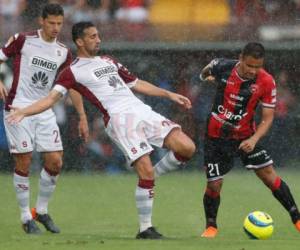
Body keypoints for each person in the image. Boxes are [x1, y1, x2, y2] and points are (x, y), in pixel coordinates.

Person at [6, 21, 196, 239]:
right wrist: (24, 112)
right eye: (93, 36)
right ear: (79, 41)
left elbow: (136, 83)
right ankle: (146, 228)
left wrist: (168, 94)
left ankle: (155, 176)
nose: (98, 40)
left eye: (98, 36)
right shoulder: (72, 71)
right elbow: (51, 98)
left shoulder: (109, 60)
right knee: (145, 171)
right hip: (119, 120)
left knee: (187, 148)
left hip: (141, 110)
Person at [0, 4, 89, 234]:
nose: (56, 28)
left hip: (43, 111)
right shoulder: (22, 40)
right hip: (17, 108)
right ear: (41, 21)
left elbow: (73, 86)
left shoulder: (63, 52)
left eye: (59, 23)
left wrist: (81, 116)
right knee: (24, 161)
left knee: (55, 162)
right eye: (51, 23)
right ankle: (24, 217)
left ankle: (40, 210)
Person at [199, 42, 300, 238]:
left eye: (257, 66)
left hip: (246, 137)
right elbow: (205, 72)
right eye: (249, 65)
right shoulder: (222, 66)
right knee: (214, 184)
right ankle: (211, 226)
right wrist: (206, 78)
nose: (253, 70)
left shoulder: (267, 81)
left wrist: (254, 140)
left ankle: (296, 218)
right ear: (240, 58)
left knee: (269, 175)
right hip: (216, 137)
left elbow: (268, 117)